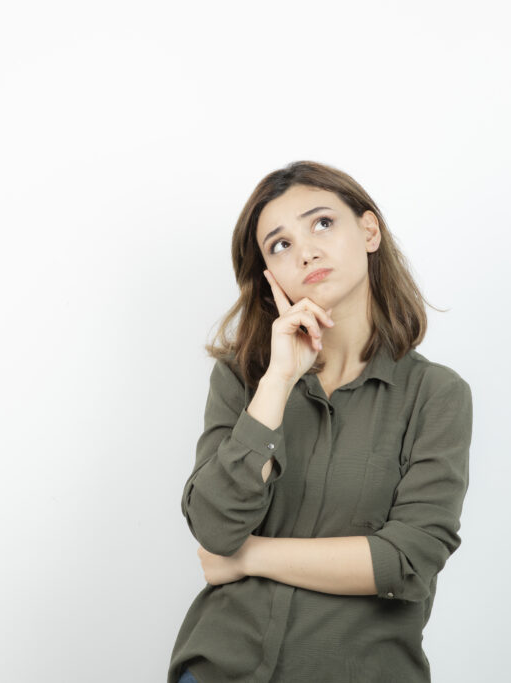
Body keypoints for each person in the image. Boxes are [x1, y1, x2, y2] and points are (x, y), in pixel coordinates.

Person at [168, 161, 474, 683]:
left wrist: (247, 559)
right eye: (279, 244)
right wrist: (277, 381)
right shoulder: (243, 380)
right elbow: (216, 527)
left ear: (369, 231)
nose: (305, 250)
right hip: (220, 669)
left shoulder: (436, 395)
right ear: (268, 274)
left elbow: (405, 561)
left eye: (322, 223)